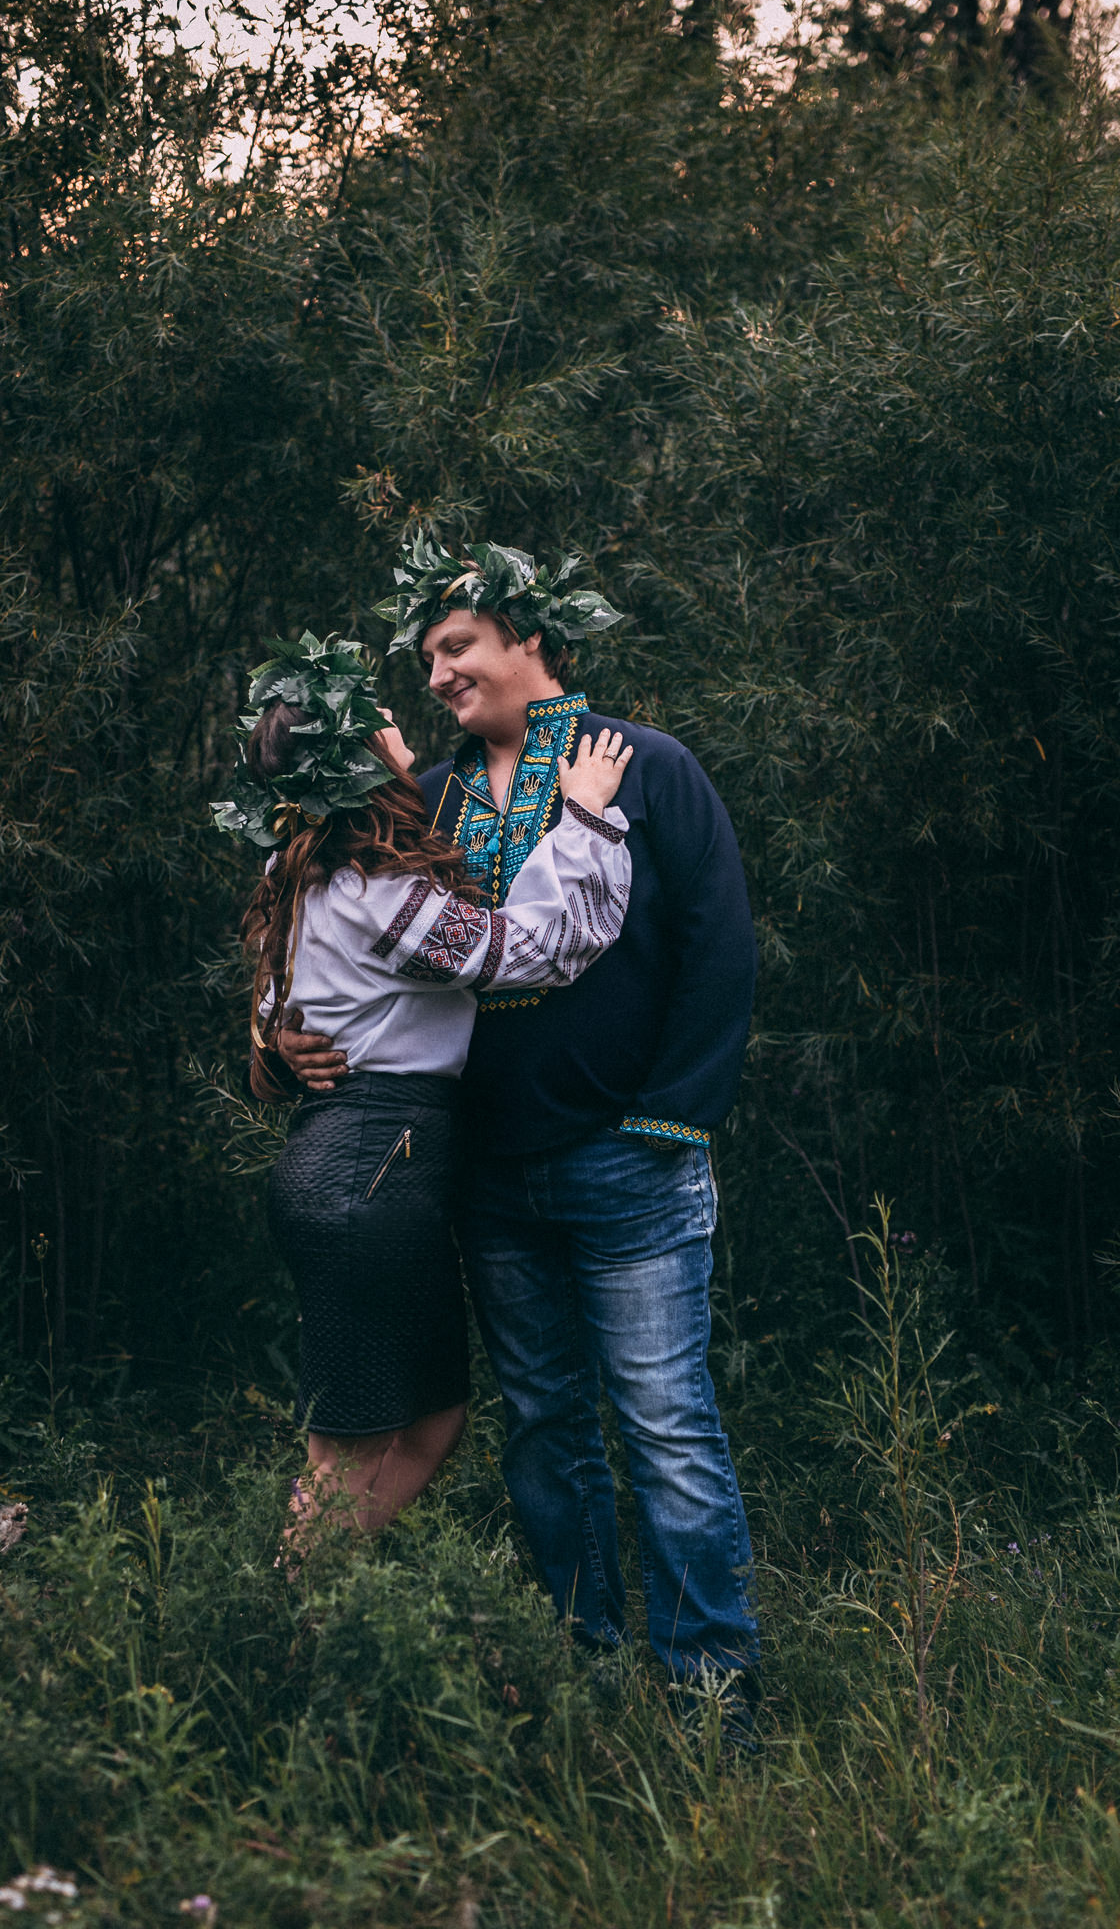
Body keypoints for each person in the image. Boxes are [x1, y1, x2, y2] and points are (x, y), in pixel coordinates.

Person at [279, 541, 761, 1732]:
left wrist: (670, 1113)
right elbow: (327, 926)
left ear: (530, 639)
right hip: (488, 1175)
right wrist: (277, 1037)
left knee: (667, 1423)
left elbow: (719, 943)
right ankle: (587, 1669)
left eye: (460, 646)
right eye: (429, 656)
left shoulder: (645, 767)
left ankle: (712, 1686)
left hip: (630, 1157)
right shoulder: (428, 804)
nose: (440, 672)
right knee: (547, 1430)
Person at [211, 630, 633, 1549]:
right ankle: (291, 1624)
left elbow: (282, 1005)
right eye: (382, 730)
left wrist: (277, 1040)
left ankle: (316, 1602)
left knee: (432, 1423)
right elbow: (522, 951)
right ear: (356, 764)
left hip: (359, 1166)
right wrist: (588, 819)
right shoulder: (373, 884)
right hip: (369, 1170)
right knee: (344, 1451)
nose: (404, 734)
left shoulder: (299, 866)